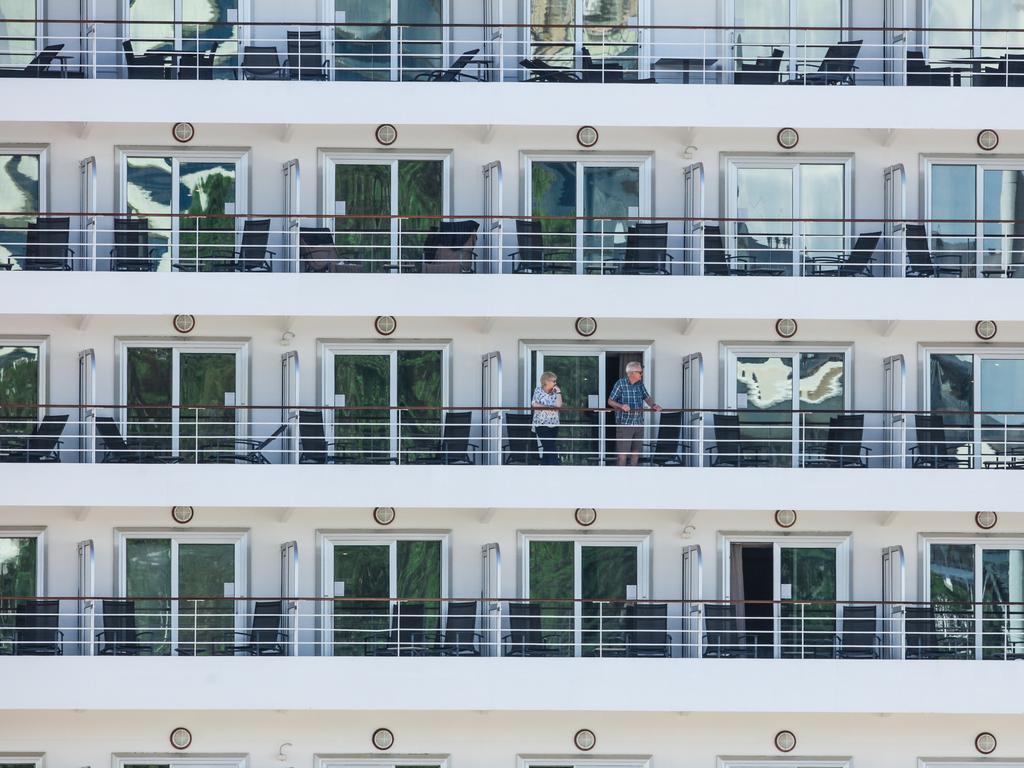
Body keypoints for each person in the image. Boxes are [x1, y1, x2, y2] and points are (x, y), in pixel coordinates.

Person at [608, 361, 661, 466]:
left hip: (638, 423)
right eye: (640, 372)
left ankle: (634, 477)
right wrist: (621, 406)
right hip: (625, 424)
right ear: (631, 373)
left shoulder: (640, 385)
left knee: (635, 453)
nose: (642, 374)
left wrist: (654, 405)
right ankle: (621, 478)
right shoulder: (620, 384)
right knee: (622, 454)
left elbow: (647, 398)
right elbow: (610, 401)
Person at [531, 371, 562, 465]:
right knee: (551, 448)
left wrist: (559, 392)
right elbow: (534, 404)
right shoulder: (538, 390)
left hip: (554, 425)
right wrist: (549, 408)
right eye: (553, 381)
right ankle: (555, 468)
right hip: (541, 424)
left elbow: (558, 405)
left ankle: (544, 468)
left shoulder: (555, 393)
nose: (555, 383)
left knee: (547, 449)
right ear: (546, 381)